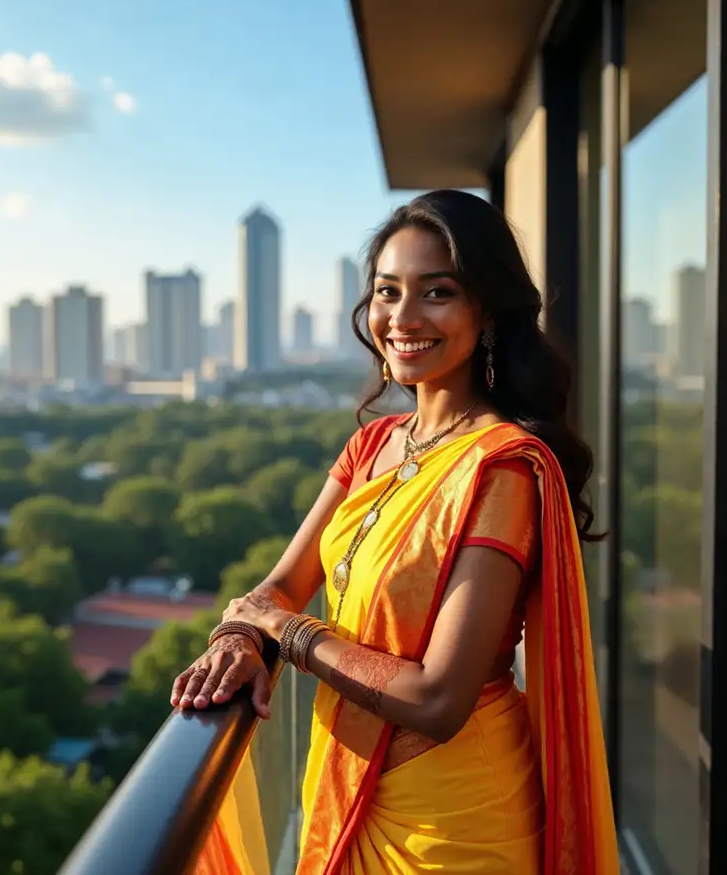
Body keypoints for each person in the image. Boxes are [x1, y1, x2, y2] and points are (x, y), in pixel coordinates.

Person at [172, 189, 618, 874]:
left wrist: (285, 633)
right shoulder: (374, 444)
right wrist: (238, 634)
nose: (403, 318)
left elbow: (440, 699)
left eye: (437, 292)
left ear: (487, 310)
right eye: (388, 292)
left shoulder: (500, 471)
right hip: (350, 782)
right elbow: (285, 583)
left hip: (455, 821)